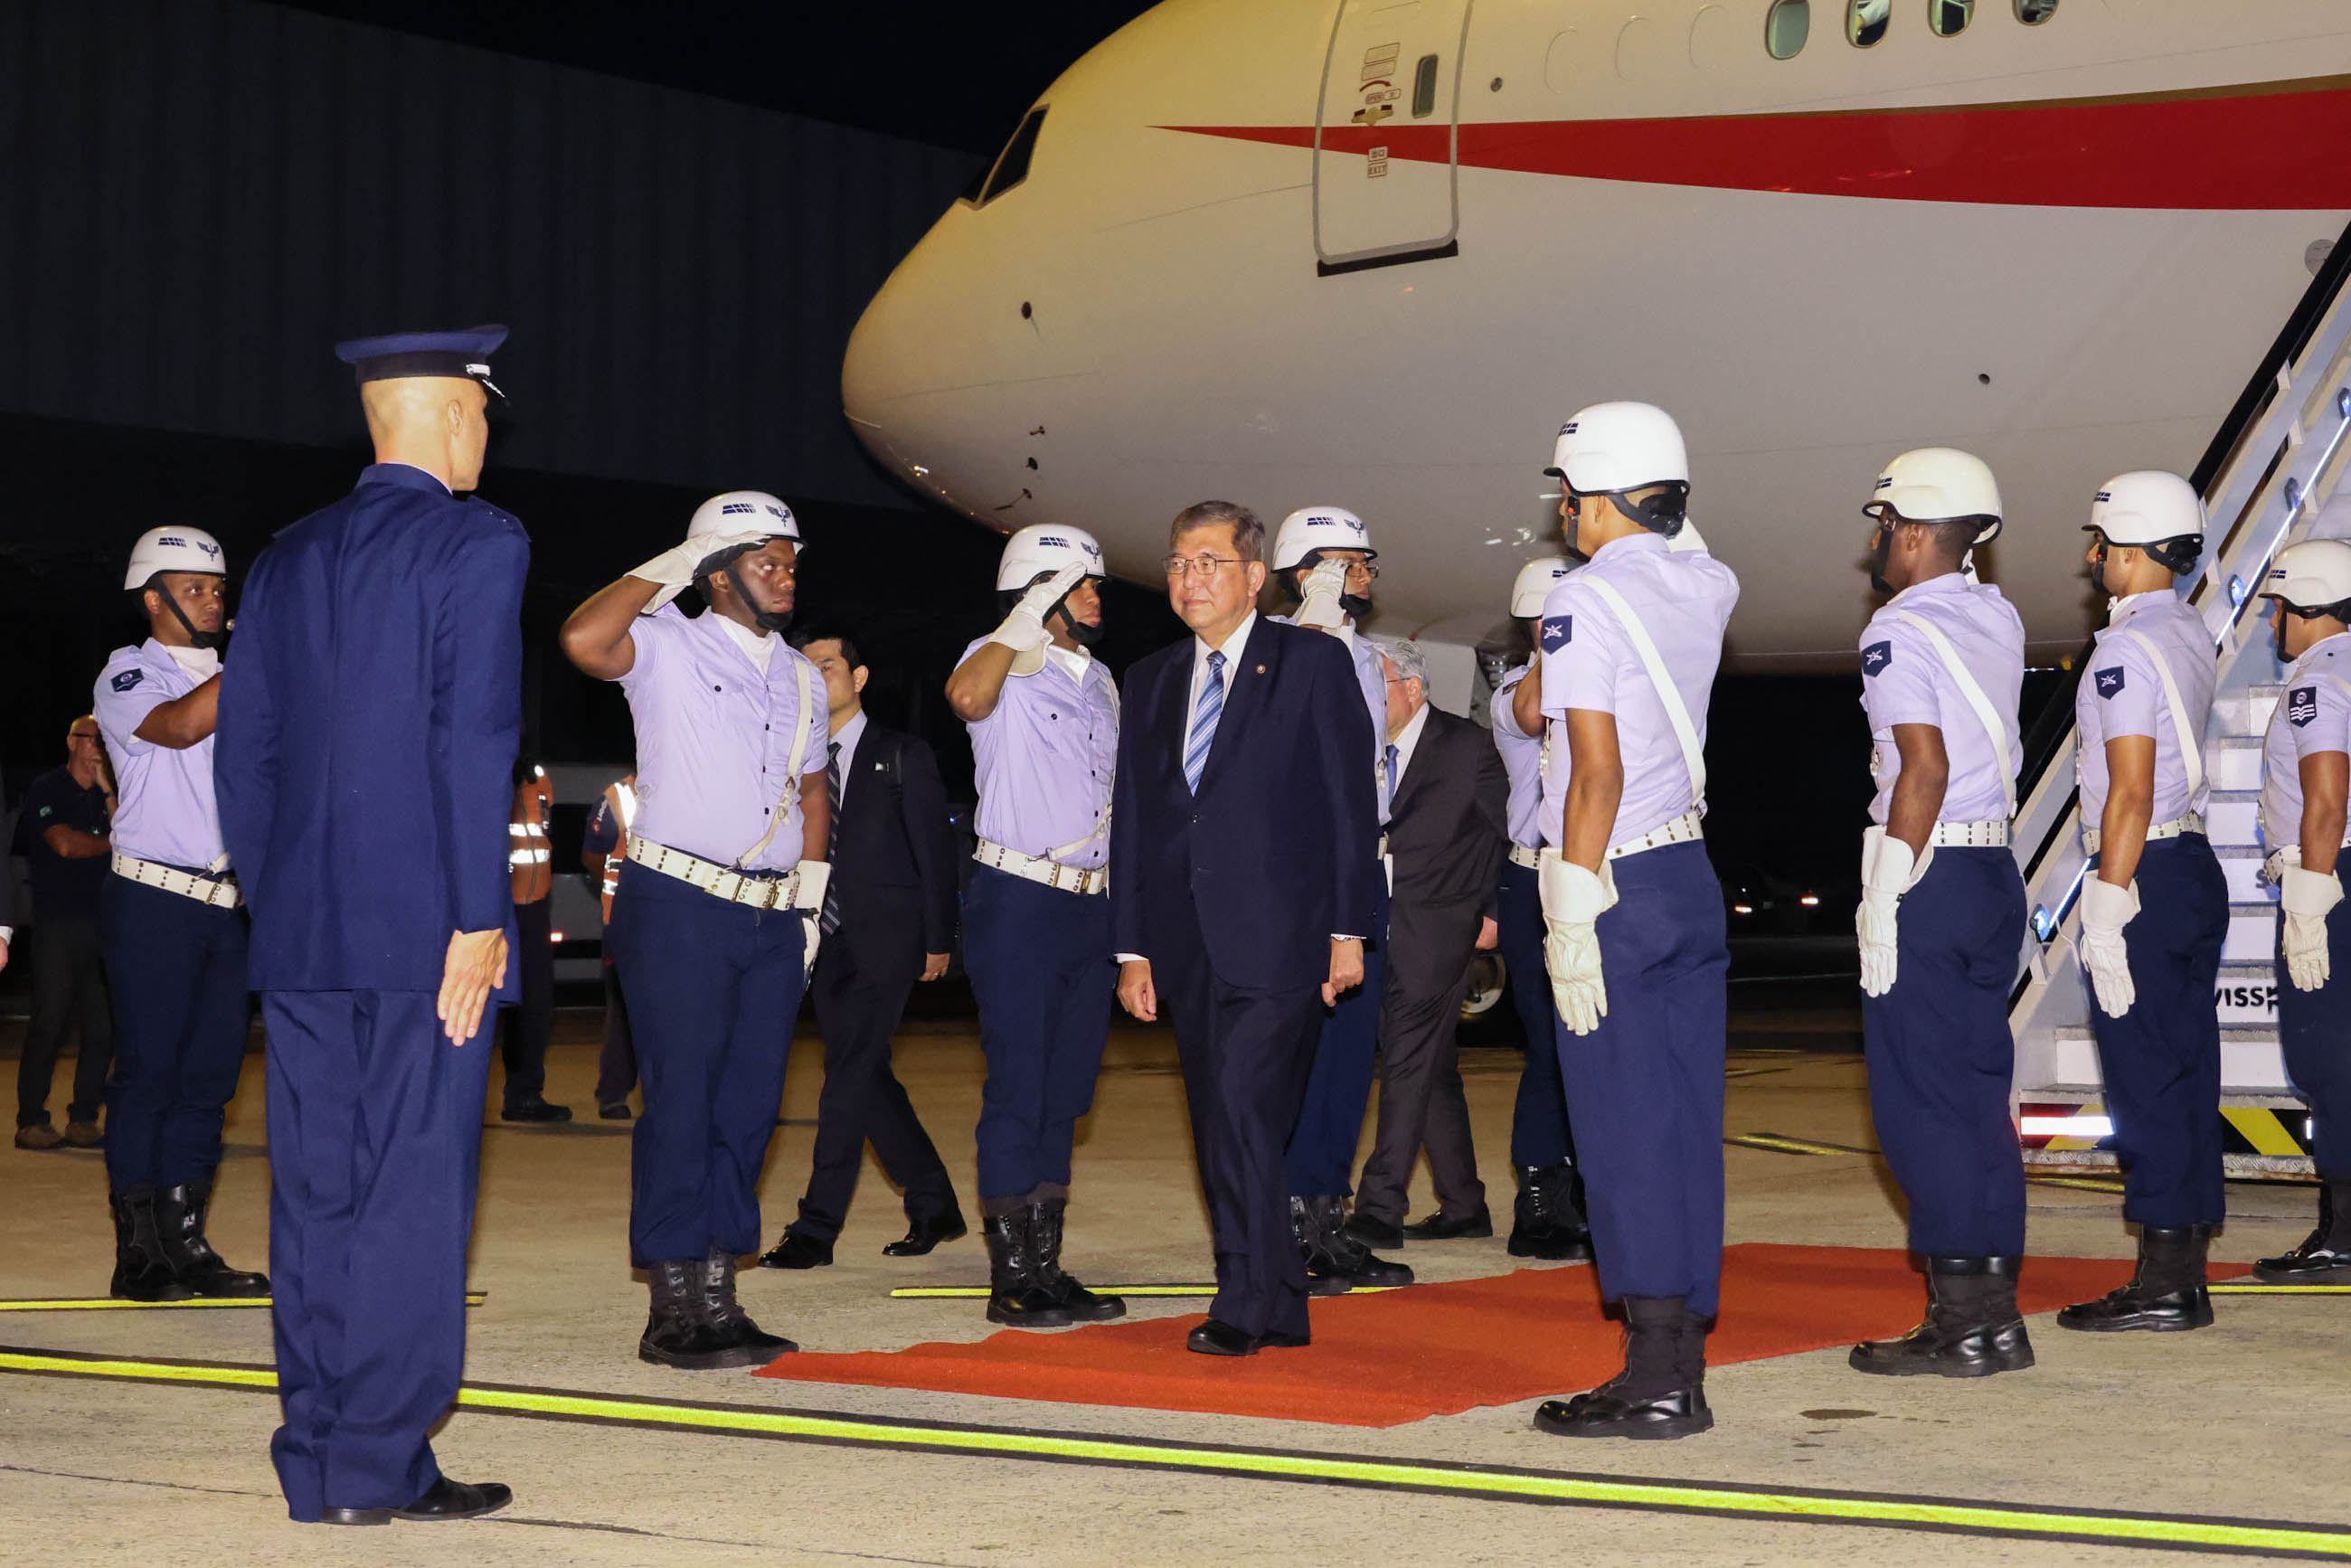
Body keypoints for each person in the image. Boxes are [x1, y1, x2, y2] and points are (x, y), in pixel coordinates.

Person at [215, 324, 522, 1525]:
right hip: (422, 935)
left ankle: (325, 1455)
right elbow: (473, 737)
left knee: (318, 1198)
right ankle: (377, 1460)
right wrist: (472, 917)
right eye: (485, 413)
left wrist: (276, 893)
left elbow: (249, 754)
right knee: (410, 1193)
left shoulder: (287, 556)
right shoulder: (475, 540)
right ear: (450, 410)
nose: (488, 435)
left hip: (303, 933)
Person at [559, 489, 829, 1370]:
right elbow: (582, 640)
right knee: (681, 1104)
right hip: (676, 904)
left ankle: (720, 1296)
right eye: (764, 559)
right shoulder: (667, 643)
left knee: (747, 1109)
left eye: (790, 560)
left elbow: (814, 789)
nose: (785, 574)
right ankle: (672, 1309)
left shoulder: (799, 676)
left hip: (769, 916)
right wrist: (671, 564)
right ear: (716, 574)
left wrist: (810, 900)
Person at [1112, 501, 1380, 1356]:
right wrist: (1133, 945)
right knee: (1221, 1115)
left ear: (1255, 578)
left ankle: (1244, 1294)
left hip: (1284, 935)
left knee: (1241, 1103)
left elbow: (1349, 802)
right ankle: (1283, 1297)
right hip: (1184, 941)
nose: (1190, 579)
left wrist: (1350, 929)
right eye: (1179, 563)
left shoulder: (1309, 661)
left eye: (1210, 563)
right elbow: (1136, 823)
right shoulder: (1150, 678)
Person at [1524, 404, 1737, 1441]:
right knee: (1688, 1125)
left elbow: (1590, 769)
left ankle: (1655, 1377)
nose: (1561, 512)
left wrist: (1567, 907)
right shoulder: (1703, 584)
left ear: (1596, 496)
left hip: (1614, 880)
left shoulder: (1580, 601)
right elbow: (1688, 547)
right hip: (1689, 874)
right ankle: (1680, 1354)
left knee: (1623, 1134)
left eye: (1569, 493)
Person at [1845, 447, 2032, 1380]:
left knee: (1921, 1105)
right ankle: (1993, 1315)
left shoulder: (1896, 631)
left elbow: (1921, 768)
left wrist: (1884, 887)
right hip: (1992, 871)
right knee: (1974, 1102)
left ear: (1912, 533)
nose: (1875, 545)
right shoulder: (1992, 616)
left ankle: (1960, 1323)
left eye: (1882, 526)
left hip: (1928, 873)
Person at [2057, 473, 2228, 1332]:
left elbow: (2128, 789)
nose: (2093, 558)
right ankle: (2184, 1267)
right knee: (2190, 1070)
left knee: (2145, 1076)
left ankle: (2162, 1284)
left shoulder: (2125, 649)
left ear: (2127, 545)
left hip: (2144, 869)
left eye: (2101, 542)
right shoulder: (2187, 629)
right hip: (2191, 864)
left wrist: (2106, 901)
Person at [941, 525, 1125, 1326]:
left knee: (1066, 1090)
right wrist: (1025, 615)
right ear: (1039, 591)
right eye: (1077, 584)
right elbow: (966, 700)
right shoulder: (1000, 661)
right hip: (1019, 898)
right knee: (1020, 1083)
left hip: (1092, 902)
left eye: (1092, 584)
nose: (1094, 596)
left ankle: (1046, 1264)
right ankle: (1011, 1275)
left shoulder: (1103, 682)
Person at [92, 525, 267, 1302]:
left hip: (227, 906)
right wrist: (266, 656)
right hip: (152, 898)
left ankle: (187, 1243)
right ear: (151, 599)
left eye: (219, 588)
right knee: (149, 1072)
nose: (212, 600)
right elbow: (183, 725)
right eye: (193, 588)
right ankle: (139, 1255)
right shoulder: (129, 674)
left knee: (209, 1081)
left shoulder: (245, 675)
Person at [762, 622, 964, 1270]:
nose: (817, 677)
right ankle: (934, 1201)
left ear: (859, 678)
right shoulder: (793, 760)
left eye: (827, 666)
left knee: (846, 1077)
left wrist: (939, 939)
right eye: (807, 667)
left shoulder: (901, 753)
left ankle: (814, 1230)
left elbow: (937, 854)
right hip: (820, 940)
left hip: (887, 939)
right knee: (865, 1073)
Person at [1263, 506, 1412, 1290]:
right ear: (1302, 572)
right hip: (1309, 875)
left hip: (1364, 866)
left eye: (1365, 560)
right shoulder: (1278, 650)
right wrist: (1312, 607)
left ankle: (1326, 1218)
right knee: (1305, 1058)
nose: (1362, 573)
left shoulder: (1366, 656)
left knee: (1350, 1059)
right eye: (1341, 562)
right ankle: (1284, 1225)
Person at [1349, 641, 1508, 1239]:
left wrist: (1493, 910)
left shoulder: (1467, 747)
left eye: (1377, 684)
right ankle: (1465, 1205)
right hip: (1369, 926)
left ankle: (1379, 1207)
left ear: (1413, 690)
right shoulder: (1357, 746)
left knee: (1408, 1063)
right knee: (1429, 1068)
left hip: (1439, 927)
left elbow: (1512, 832)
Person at [2249, 537, 2351, 1284]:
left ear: (2306, 606)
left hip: (2331, 870)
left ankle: (2342, 1233)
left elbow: (2325, 795)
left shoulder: (2321, 678)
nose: (2272, 623)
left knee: (2328, 1058)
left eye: (2278, 607)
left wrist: (2310, 901)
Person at [1492, 558, 1592, 1261]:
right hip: (1533, 882)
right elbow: (1532, 715)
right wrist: (1556, 640)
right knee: (1551, 1046)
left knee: (1594, 1042)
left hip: (1590, 877)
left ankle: (1587, 1188)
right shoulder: (1512, 689)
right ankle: (1538, 1200)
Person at [14, 716, 116, 1151]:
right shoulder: (47, 788)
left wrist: (110, 792)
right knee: (50, 1020)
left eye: (104, 741)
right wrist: (116, 841)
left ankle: (83, 1117)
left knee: (102, 1026)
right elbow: (65, 844)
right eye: (92, 739)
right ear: (72, 741)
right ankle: (31, 1120)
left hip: (107, 921)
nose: (98, 748)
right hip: (58, 923)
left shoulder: (112, 793)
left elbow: (138, 835)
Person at [496, 760, 568, 1122]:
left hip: (534, 906)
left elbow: (541, 834)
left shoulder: (538, 776)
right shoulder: (482, 761)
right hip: (491, 905)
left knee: (535, 1002)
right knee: (480, 1002)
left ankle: (524, 1095)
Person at [583, 772, 638, 1119]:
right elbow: (591, 855)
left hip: (670, 923)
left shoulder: (684, 786)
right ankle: (613, 1093)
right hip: (621, 920)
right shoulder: (617, 796)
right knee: (622, 1012)